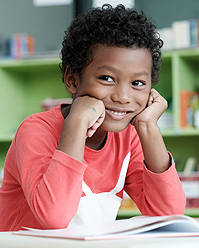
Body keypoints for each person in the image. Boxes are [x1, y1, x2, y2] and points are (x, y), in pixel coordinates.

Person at [0, 4, 186, 231]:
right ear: (73, 80)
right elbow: (54, 218)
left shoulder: (128, 137)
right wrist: (77, 123)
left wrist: (148, 127)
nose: (123, 97)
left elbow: (169, 213)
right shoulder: (35, 131)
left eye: (137, 83)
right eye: (107, 78)